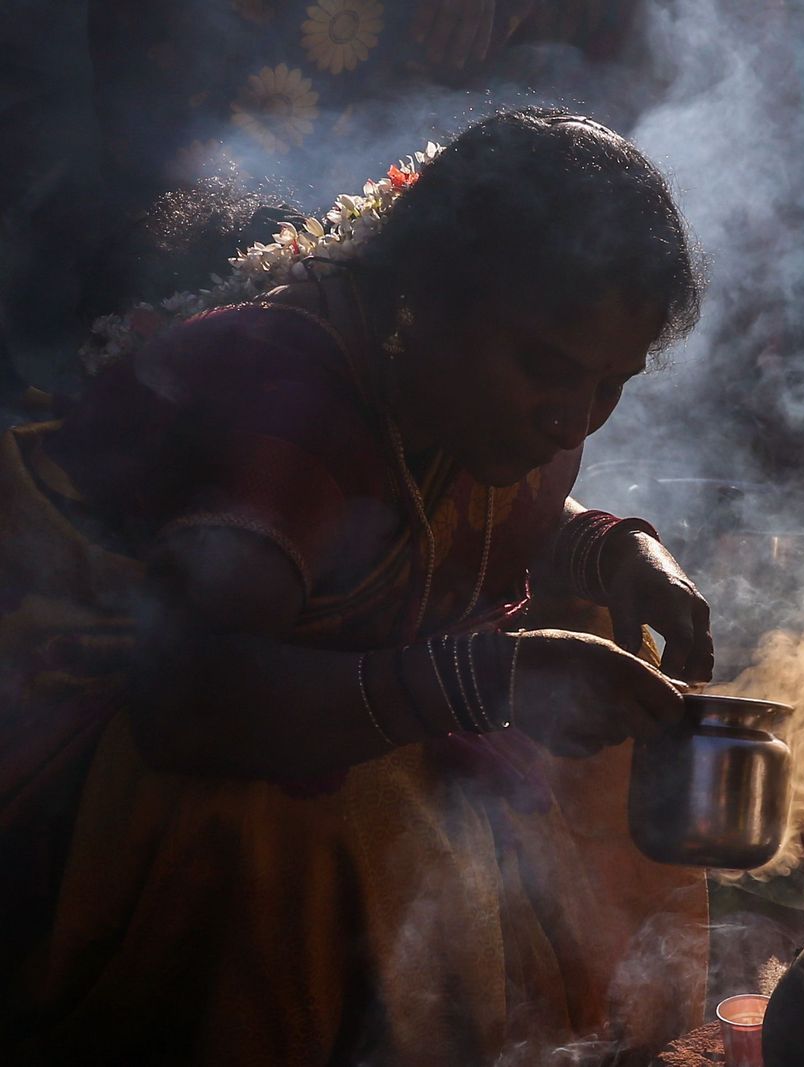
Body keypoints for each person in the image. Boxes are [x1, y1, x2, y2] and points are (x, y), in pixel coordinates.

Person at [0, 106, 715, 1065]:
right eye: (547, 368)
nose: (571, 417)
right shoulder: (287, 393)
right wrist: (483, 678)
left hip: (282, 672)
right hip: (90, 736)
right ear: (428, 297)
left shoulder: (471, 383)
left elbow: (459, 512)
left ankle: (591, 1036)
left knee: (606, 657)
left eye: (610, 383)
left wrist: (617, 552)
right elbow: (191, 701)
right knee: (318, 825)